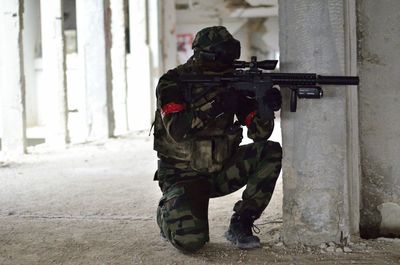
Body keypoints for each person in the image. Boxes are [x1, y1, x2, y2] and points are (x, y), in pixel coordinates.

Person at [153, 26, 282, 253]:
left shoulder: (230, 83)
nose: (227, 63)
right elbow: (178, 130)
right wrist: (218, 105)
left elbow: (259, 134)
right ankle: (168, 212)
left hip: (220, 170)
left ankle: (241, 222)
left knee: (270, 152)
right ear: (205, 55)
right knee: (191, 242)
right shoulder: (173, 82)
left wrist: (264, 105)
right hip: (182, 175)